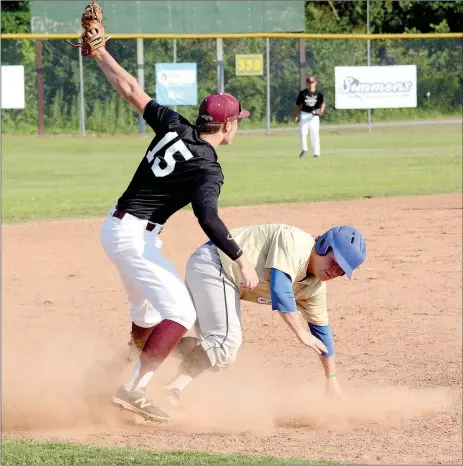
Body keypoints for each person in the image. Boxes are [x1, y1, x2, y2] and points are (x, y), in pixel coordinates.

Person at [79, 9, 259, 422]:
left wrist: (100, 51)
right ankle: (134, 390)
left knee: (147, 315)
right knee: (180, 312)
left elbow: (129, 89)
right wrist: (240, 257)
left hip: (119, 227)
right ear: (227, 125)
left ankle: (114, 372)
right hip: (133, 236)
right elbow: (208, 219)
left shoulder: (175, 125)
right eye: (237, 122)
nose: (237, 128)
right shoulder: (208, 167)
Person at [161, 224, 367, 407]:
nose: (334, 271)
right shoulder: (295, 242)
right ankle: (172, 388)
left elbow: (322, 333)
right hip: (215, 264)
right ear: (324, 245)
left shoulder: (314, 288)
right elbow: (281, 288)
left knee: (221, 357)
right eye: (335, 261)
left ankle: (149, 349)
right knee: (225, 344)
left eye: (341, 270)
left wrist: (331, 378)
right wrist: (300, 332)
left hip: (224, 277)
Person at [294, 75, 325, 158]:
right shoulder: (302, 93)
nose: (311, 84)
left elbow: (322, 104)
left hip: (314, 116)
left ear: (315, 83)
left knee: (315, 134)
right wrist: (296, 115)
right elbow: (297, 105)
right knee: (303, 133)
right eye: (309, 82)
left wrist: (321, 111)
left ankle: (316, 153)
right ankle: (304, 149)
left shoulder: (319, 94)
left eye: (312, 82)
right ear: (306, 83)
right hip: (304, 114)